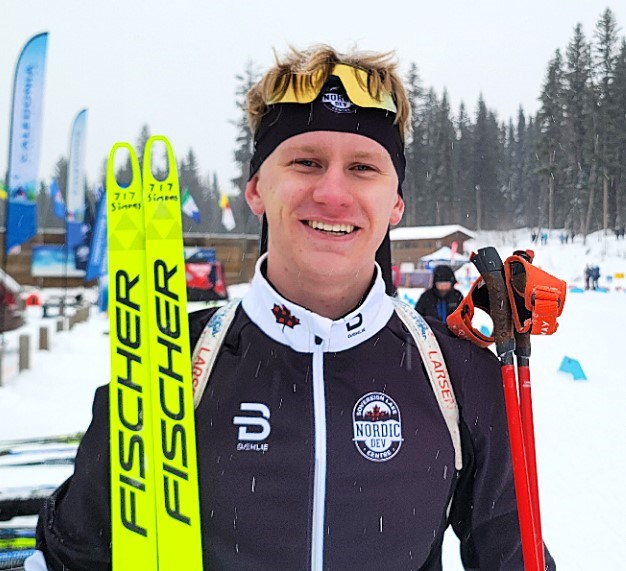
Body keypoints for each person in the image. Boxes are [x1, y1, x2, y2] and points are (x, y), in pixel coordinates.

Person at [29, 45, 555, 570]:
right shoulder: (170, 360)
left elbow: (513, 556)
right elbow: (77, 556)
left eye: (363, 167)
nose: (332, 192)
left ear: (396, 202)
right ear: (257, 189)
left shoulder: (458, 377)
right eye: (306, 162)